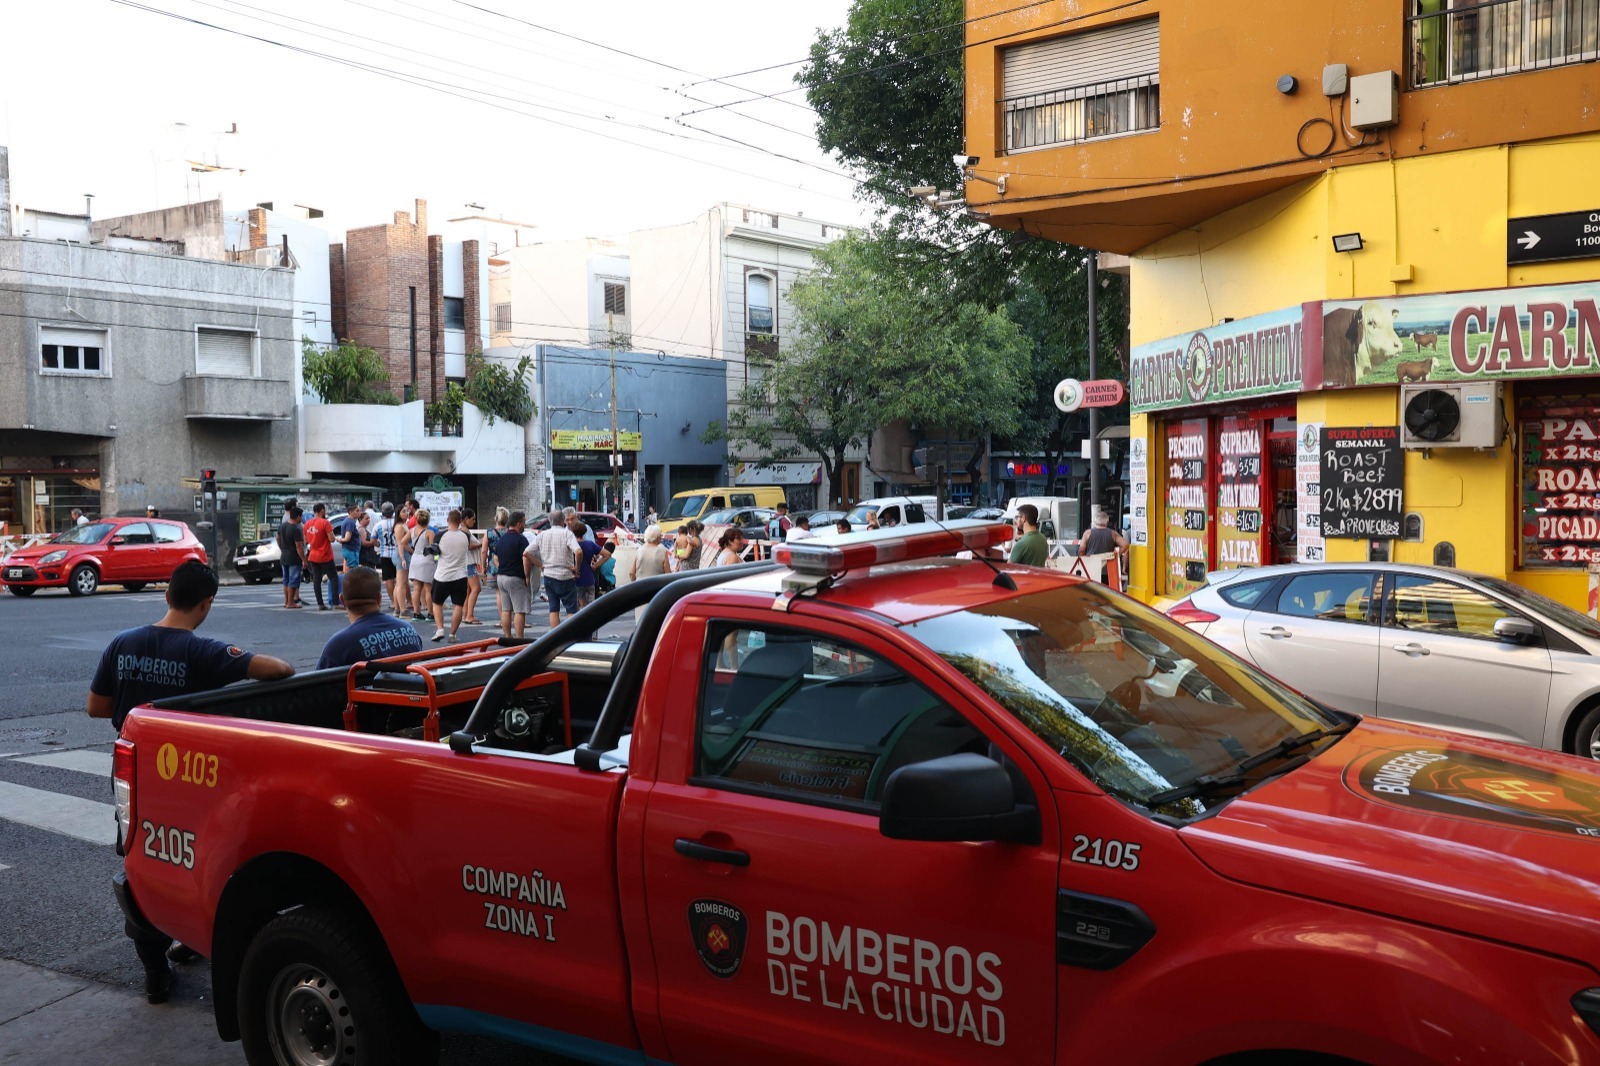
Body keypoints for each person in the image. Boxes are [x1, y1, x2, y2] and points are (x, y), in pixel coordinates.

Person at [87, 560, 294, 1004]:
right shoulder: (204, 653)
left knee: (140, 860)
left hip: (133, 770)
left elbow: (96, 707)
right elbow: (279, 670)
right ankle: (190, 935)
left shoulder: (122, 643)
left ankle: (155, 973)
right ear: (206, 605)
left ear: (166, 596)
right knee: (190, 860)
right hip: (186, 776)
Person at [317, 566, 425, 670]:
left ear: (342, 600)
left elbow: (318, 683)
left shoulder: (339, 645)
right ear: (379, 598)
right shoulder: (409, 630)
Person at [528, 508, 582, 630]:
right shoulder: (567, 534)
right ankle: (571, 636)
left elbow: (526, 553)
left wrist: (540, 565)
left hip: (549, 575)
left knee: (553, 608)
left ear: (549, 521)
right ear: (563, 521)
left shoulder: (542, 535)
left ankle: (554, 637)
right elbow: (578, 551)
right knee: (571, 609)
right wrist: (576, 568)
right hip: (566, 575)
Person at [430, 509, 472, 643]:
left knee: (437, 603)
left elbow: (435, 554)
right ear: (460, 521)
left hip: (442, 575)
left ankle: (440, 629)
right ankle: (453, 635)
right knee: (458, 605)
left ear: (447, 520)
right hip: (460, 575)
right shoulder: (466, 536)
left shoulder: (440, 535)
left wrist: (435, 556)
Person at [492, 511, 532, 639]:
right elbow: (525, 558)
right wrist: (527, 576)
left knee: (506, 609)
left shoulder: (502, 539)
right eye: (524, 522)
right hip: (516, 577)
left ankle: (508, 637)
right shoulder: (521, 539)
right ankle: (519, 639)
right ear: (518, 523)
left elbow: (495, 559)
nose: (524, 525)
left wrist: (503, 568)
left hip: (501, 577)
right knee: (519, 610)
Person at [629, 525, 671, 622]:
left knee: (641, 619)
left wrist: (634, 581)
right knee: (656, 619)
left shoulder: (639, 551)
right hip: (657, 591)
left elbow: (631, 572)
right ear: (657, 537)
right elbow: (668, 574)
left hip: (641, 589)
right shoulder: (663, 551)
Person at [303, 503, 341, 609]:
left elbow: (306, 541)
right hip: (325, 554)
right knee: (333, 578)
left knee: (316, 580)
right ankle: (335, 603)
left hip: (313, 555)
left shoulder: (307, 524)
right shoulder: (325, 523)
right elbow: (332, 539)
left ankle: (320, 603)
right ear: (322, 510)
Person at [1079, 506, 1130, 580]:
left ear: (1095, 521)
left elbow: (1081, 551)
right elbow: (1126, 544)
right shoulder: (1113, 534)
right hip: (1108, 569)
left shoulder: (1087, 533)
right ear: (1107, 521)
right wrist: (1116, 555)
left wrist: (1083, 563)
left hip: (1091, 569)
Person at [408, 508, 437, 620]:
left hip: (415, 559)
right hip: (427, 560)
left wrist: (412, 550)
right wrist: (436, 559)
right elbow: (433, 548)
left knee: (416, 589)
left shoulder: (412, 531)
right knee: (428, 589)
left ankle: (416, 613)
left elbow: (402, 542)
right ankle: (430, 613)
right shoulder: (429, 532)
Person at [277, 504, 306, 609]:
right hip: (294, 558)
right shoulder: (296, 529)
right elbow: (299, 546)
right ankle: (290, 602)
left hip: (284, 556)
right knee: (293, 580)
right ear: (298, 516)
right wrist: (304, 560)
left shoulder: (282, 526)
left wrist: (282, 548)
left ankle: (286, 601)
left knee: (286, 580)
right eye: (301, 516)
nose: (301, 518)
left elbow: (278, 538)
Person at [461, 507, 485, 625]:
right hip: (469, 563)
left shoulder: (462, 530)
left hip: (466, 562)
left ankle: (466, 614)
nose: (474, 521)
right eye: (473, 519)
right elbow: (469, 546)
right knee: (476, 588)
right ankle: (469, 615)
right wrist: (480, 543)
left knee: (469, 590)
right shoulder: (465, 531)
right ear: (466, 519)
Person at [571, 519, 601, 609]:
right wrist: (596, 564)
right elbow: (607, 554)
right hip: (589, 578)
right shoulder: (590, 544)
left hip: (577, 579)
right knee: (591, 606)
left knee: (579, 606)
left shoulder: (572, 545)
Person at [392, 508, 413, 616]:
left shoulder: (404, 524)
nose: (406, 513)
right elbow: (400, 543)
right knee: (401, 584)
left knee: (400, 584)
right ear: (398, 514)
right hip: (401, 554)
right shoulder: (400, 526)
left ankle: (397, 608)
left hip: (403, 554)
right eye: (403, 511)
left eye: (407, 511)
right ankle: (402, 609)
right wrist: (403, 558)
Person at [336, 502, 363, 575]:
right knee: (352, 571)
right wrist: (340, 539)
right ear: (351, 512)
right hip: (351, 550)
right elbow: (347, 538)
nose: (359, 513)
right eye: (357, 511)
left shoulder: (349, 521)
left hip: (350, 550)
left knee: (350, 571)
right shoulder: (350, 522)